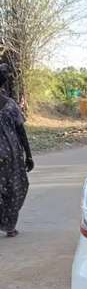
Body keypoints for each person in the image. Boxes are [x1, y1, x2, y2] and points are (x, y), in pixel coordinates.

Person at [0, 65, 34, 237]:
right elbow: (21, 131)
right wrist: (29, 155)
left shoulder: (11, 104)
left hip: (10, 154)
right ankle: (10, 226)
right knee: (15, 188)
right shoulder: (11, 105)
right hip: (12, 154)